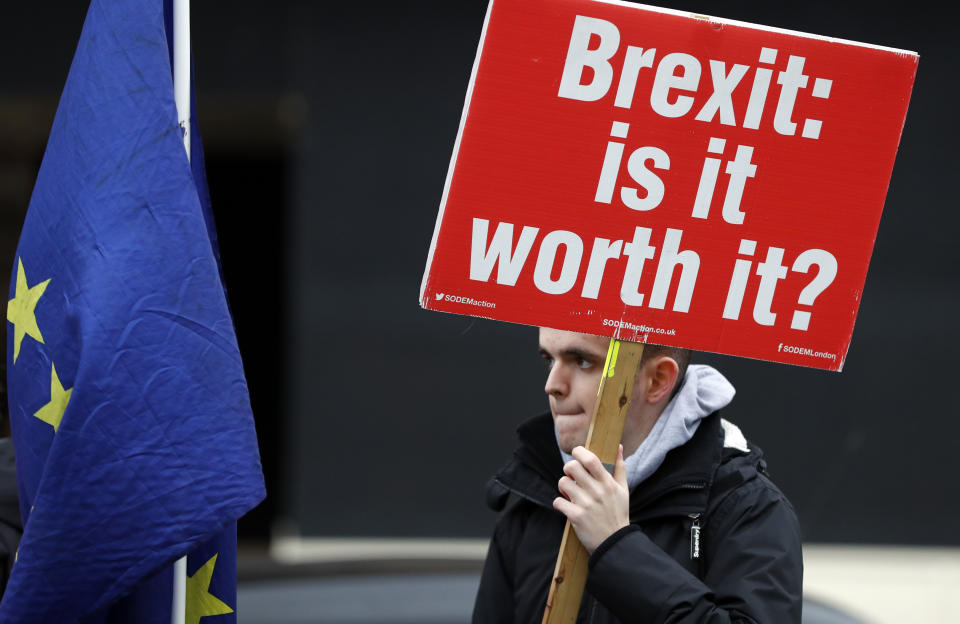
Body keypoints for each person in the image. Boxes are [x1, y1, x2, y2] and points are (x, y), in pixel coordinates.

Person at [473, 328, 803, 623]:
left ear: (657, 380)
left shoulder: (747, 508)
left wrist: (616, 547)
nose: (552, 385)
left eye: (582, 361)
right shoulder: (533, 495)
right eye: (550, 359)